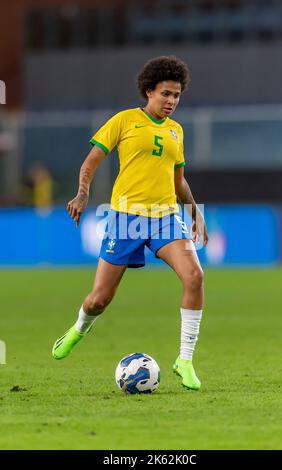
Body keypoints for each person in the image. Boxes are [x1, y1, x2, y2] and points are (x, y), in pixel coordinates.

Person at [52, 55, 209, 391]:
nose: (171, 101)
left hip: (166, 217)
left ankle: (185, 359)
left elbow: (178, 181)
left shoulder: (176, 132)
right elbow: (91, 163)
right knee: (99, 299)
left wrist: (195, 213)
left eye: (177, 95)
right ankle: (79, 328)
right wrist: (81, 195)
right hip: (126, 219)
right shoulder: (124, 121)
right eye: (166, 94)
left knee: (195, 275)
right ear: (149, 91)